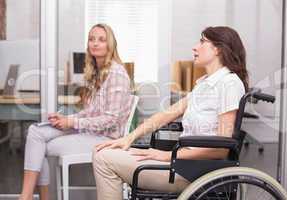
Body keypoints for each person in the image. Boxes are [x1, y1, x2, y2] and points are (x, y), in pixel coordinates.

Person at [92, 26, 249, 200]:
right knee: (103, 153)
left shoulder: (229, 84)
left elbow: (221, 149)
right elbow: (167, 114)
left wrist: (166, 156)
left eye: (202, 41)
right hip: (182, 162)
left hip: (193, 172)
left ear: (218, 49)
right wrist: (129, 138)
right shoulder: (205, 84)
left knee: (103, 159)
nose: (195, 47)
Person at [19, 23, 133, 200]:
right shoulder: (98, 72)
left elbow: (110, 119)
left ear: (110, 45)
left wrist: (72, 123)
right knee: (35, 132)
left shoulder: (116, 74)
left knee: (39, 146)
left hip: (106, 138)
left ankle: (29, 198)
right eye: (91, 39)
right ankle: (29, 197)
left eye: (101, 40)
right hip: (92, 131)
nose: (95, 43)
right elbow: (90, 113)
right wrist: (66, 118)